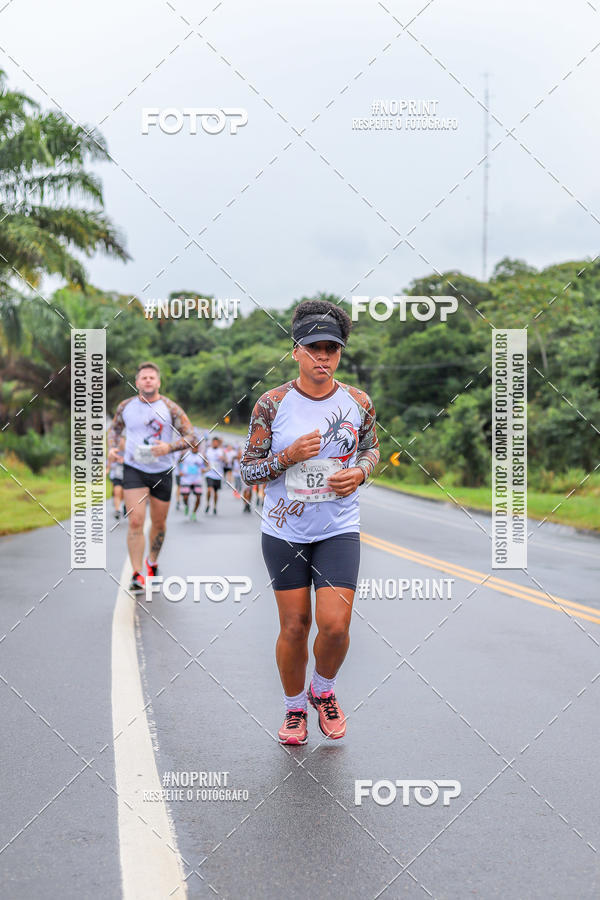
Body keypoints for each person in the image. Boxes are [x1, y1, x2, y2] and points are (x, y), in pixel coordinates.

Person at [240, 299, 379, 745]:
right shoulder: (272, 403)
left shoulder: (358, 401)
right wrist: (287, 456)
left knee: (335, 625)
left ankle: (323, 688)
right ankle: (295, 708)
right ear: (295, 350)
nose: (323, 357)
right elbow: (248, 470)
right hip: (285, 531)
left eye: (331, 349)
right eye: (314, 348)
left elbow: (371, 449)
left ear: (340, 353)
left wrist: (360, 472)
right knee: (295, 626)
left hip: (338, 526)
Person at [107, 361, 196, 592]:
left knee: (158, 523)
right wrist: (113, 448)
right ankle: (137, 574)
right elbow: (115, 429)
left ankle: (152, 562)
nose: (147, 380)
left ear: (158, 382)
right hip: (134, 468)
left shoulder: (170, 407)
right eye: (143, 377)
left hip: (162, 470)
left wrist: (168, 448)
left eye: (152, 377)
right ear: (137, 382)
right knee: (135, 521)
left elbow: (191, 436)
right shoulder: (125, 406)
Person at [179, 436, 205, 521]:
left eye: (196, 446)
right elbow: (179, 462)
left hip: (197, 479)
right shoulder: (185, 454)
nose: (194, 447)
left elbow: (207, 465)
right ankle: (186, 505)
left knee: (198, 497)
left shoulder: (201, 456)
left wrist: (204, 470)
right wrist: (180, 471)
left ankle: (194, 512)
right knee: (185, 497)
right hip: (186, 479)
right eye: (193, 446)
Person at [204, 436, 226, 515]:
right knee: (209, 489)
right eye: (213, 442)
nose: (215, 443)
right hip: (209, 473)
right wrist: (206, 464)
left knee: (216, 492)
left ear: (218, 443)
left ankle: (215, 506)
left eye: (216, 442)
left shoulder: (221, 451)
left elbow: (226, 460)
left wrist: (223, 458)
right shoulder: (208, 450)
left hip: (218, 474)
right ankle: (208, 504)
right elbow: (205, 459)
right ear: (212, 442)